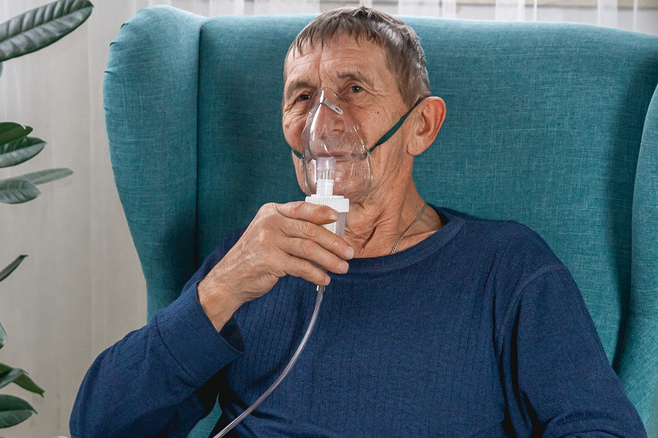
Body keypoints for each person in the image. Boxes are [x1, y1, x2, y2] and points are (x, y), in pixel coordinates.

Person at [71, 6, 646, 437]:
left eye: (353, 88)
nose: (324, 120)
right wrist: (219, 291)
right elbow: (99, 425)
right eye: (302, 97)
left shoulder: (505, 268)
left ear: (421, 125)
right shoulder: (250, 260)